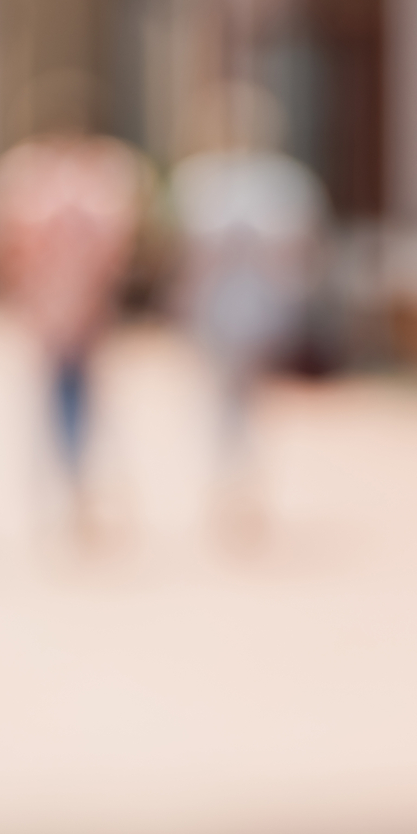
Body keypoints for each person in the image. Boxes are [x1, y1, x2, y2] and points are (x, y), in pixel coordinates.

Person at [0, 126, 146, 537]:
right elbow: (119, 251)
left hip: (49, 305)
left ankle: (70, 479)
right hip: (80, 305)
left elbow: (2, 244)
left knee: (59, 396)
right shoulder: (97, 188)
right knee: (80, 394)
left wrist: (14, 291)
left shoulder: (31, 187)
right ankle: (77, 478)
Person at [169, 85, 324, 539]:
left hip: (226, 306)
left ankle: (235, 478)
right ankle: (241, 479)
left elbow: (191, 257)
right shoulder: (284, 183)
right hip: (258, 306)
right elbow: (302, 253)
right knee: (244, 397)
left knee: (227, 398)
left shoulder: (201, 181)